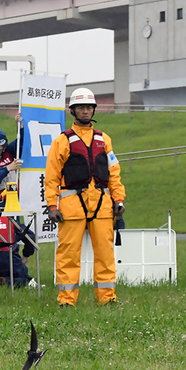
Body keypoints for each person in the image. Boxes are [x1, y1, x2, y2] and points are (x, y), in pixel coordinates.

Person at [44, 87, 125, 307]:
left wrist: (119, 200)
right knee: (68, 255)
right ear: (73, 111)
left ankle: (107, 298)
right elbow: (51, 177)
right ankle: (66, 300)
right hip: (71, 206)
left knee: (105, 255)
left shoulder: (104, 139)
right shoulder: (62, 141)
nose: (86, 111)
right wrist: (52, 205)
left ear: (94, 109)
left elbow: (114, 173)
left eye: (89, 107)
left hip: (101, 204)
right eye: (81, 107)